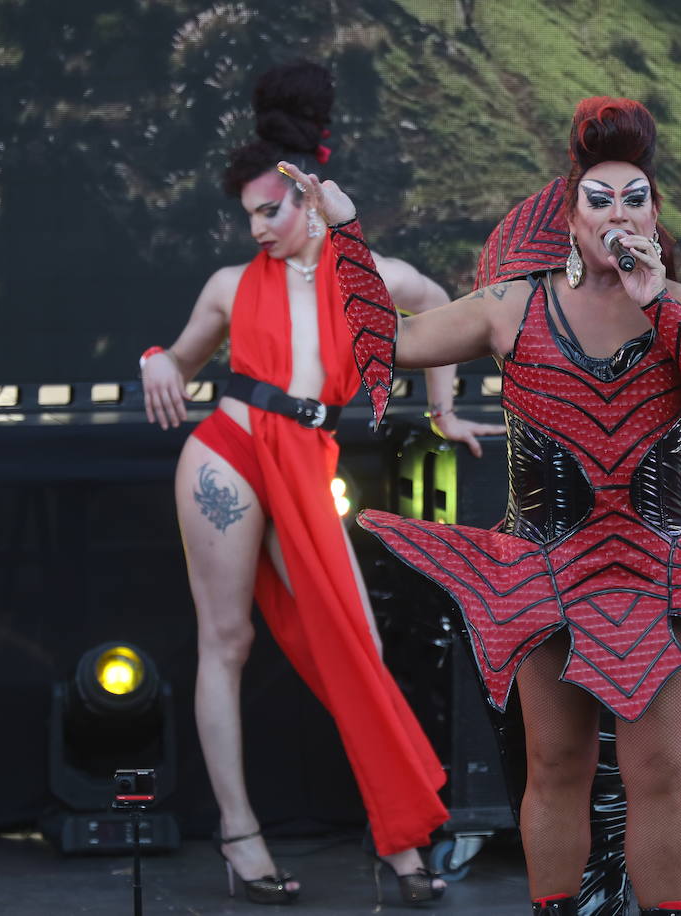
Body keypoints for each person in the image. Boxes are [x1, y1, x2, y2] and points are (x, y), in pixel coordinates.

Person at [284, 96, 681, 916]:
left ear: (654, 211)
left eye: (636, 196)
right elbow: (391, 345)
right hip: (542, 569)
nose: (619, 213)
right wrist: (346, 229)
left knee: (661, 771)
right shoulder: (512, 306)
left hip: (657, 571)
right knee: (556, 765)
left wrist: (659, 302)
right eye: (600, 198)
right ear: (569, 216)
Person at [138, 60, 502, 907]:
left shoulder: (373, 276)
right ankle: (241, 838)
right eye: (248, 214)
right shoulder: (230, 285)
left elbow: (444, 305)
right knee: (225, 644)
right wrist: (156, 360)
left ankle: (402, 835)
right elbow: (178, 357)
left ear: (309, 191)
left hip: (308, 462)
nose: (259, 227)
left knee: (357, 648)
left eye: (272, 208)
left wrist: (444, 412)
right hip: (229, 447)